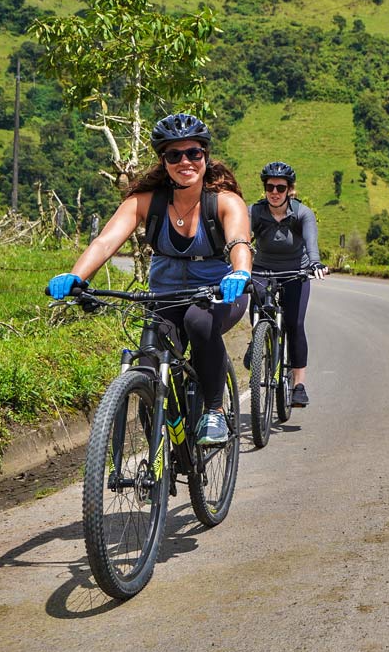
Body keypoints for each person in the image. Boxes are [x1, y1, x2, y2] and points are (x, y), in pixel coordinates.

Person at [47, 113, 253, 446]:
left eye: (194, 153)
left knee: (198, 322)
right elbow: (104, 242)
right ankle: (166, 456)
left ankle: (214, 411)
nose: (185, 161)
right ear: (164, 161)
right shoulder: (145, 202)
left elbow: (240, 243)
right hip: (166, 296)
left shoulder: (226, 203)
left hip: (220, 293)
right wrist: (76, 276)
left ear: (206, 156)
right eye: (175, 155)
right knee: (148, 366)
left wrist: (240, 273)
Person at [247, 161, 327, 408]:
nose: (274, 192)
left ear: (289, 190)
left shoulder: (302, 213)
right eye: (269, 186)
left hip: (296, 270)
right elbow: (240, 239)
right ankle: (258, 339)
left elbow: (311, 244)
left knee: (295, 324)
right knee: (258, 304)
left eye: (280, 188)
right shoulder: (255, 212)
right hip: (262, 268)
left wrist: (315, 263)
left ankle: (299, 384)